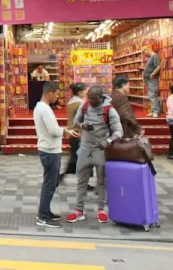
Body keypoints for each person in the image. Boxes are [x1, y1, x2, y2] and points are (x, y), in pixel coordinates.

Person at [67, 86, 124, 224]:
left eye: (93, 99)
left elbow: (119, 131)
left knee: (101, 181)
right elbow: (75, 121)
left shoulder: (109, 110)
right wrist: (83, 126)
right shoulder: (85, 106)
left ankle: (101, 209)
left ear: (100, 97)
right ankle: (79, 210)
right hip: (85, 148)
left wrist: (108, 141)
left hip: (100, 149)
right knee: (81, 181)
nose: (90, 101)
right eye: (89, 98)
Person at [34, 81, 79, 228]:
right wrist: (66, 131)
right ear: (50, 93)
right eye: (57, 94)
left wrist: (65, 131)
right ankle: (42, 216)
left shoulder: (40, 107)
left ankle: (46, 211)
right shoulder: (45, 109)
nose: (57, 97)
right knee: (49, 184)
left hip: (48, 149)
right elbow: (53, 130)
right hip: (50, 150)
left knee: (51, 183)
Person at [60, 83, 87, 184]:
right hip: (78, 133)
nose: (85, 93)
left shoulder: (71, 102)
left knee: (75, 157)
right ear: (79, 92)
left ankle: (65, 176)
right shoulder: (80, 104)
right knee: (78, 158)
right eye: (84, 91)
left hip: (72, 132)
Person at [142, 45, 162, 117]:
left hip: (152, 79)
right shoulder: (151, 57)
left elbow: (158, 66)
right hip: (148, 79)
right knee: (151, 95)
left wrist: (153, 74)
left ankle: (156, 111)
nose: (145, 55)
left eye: (144, 53)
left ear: (147, 50)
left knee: (153, 95)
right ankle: (153, 111)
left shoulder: (154, 56)